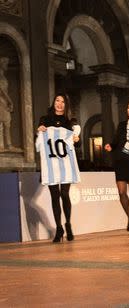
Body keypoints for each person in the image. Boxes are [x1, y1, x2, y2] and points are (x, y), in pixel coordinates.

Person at [36, 93, 81, 242]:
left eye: (63, 102)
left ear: (66, 105)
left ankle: (68, 224)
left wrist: (76, 138)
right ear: (54, 102)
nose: (59, 104)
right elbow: (39, 140)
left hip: (66, 163)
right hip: (51, 164)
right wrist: (39, 130)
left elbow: (78, 143)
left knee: (64, 194)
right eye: (57, 100)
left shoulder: (70, 121)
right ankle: (59, 228)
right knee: (55, 196)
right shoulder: (45, 119)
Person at [104, 100, 129, 235]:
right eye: (128, 107)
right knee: (121, 193)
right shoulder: (122, 125)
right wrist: (110, 146)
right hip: (121, 162)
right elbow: (116, 141)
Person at [0, 57, 14, 151]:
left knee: (5, 123)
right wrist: (10, 101)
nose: (7, 66)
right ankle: (4, 145)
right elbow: (2, 91)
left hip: (3, 101)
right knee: (4, 122)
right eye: (5, 64)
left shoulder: (2, 76)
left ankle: (6, 145)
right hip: (1, 100)